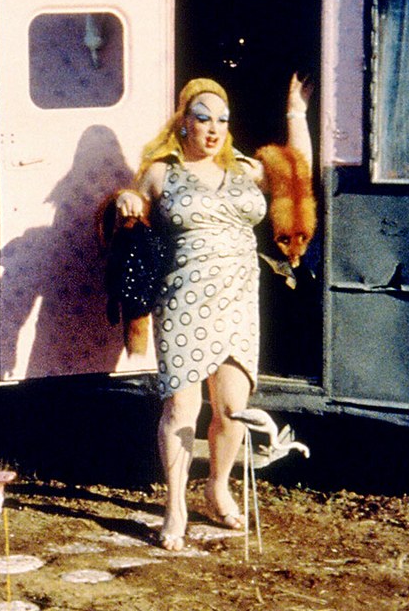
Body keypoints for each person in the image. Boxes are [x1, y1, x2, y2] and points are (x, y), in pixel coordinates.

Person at [114, 74, 311, 551]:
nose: (214, 128)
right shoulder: (160, 172)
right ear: (183, 122)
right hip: (183, 297)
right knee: (182, 406)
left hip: (238, 299)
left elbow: (297, 171)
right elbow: (134, 209)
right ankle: (175, 506)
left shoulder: (245, 169)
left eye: (222, 119)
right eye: (203, 118)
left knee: (231, 408)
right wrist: (126, 200)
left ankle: (217, 487)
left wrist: (297, 112)